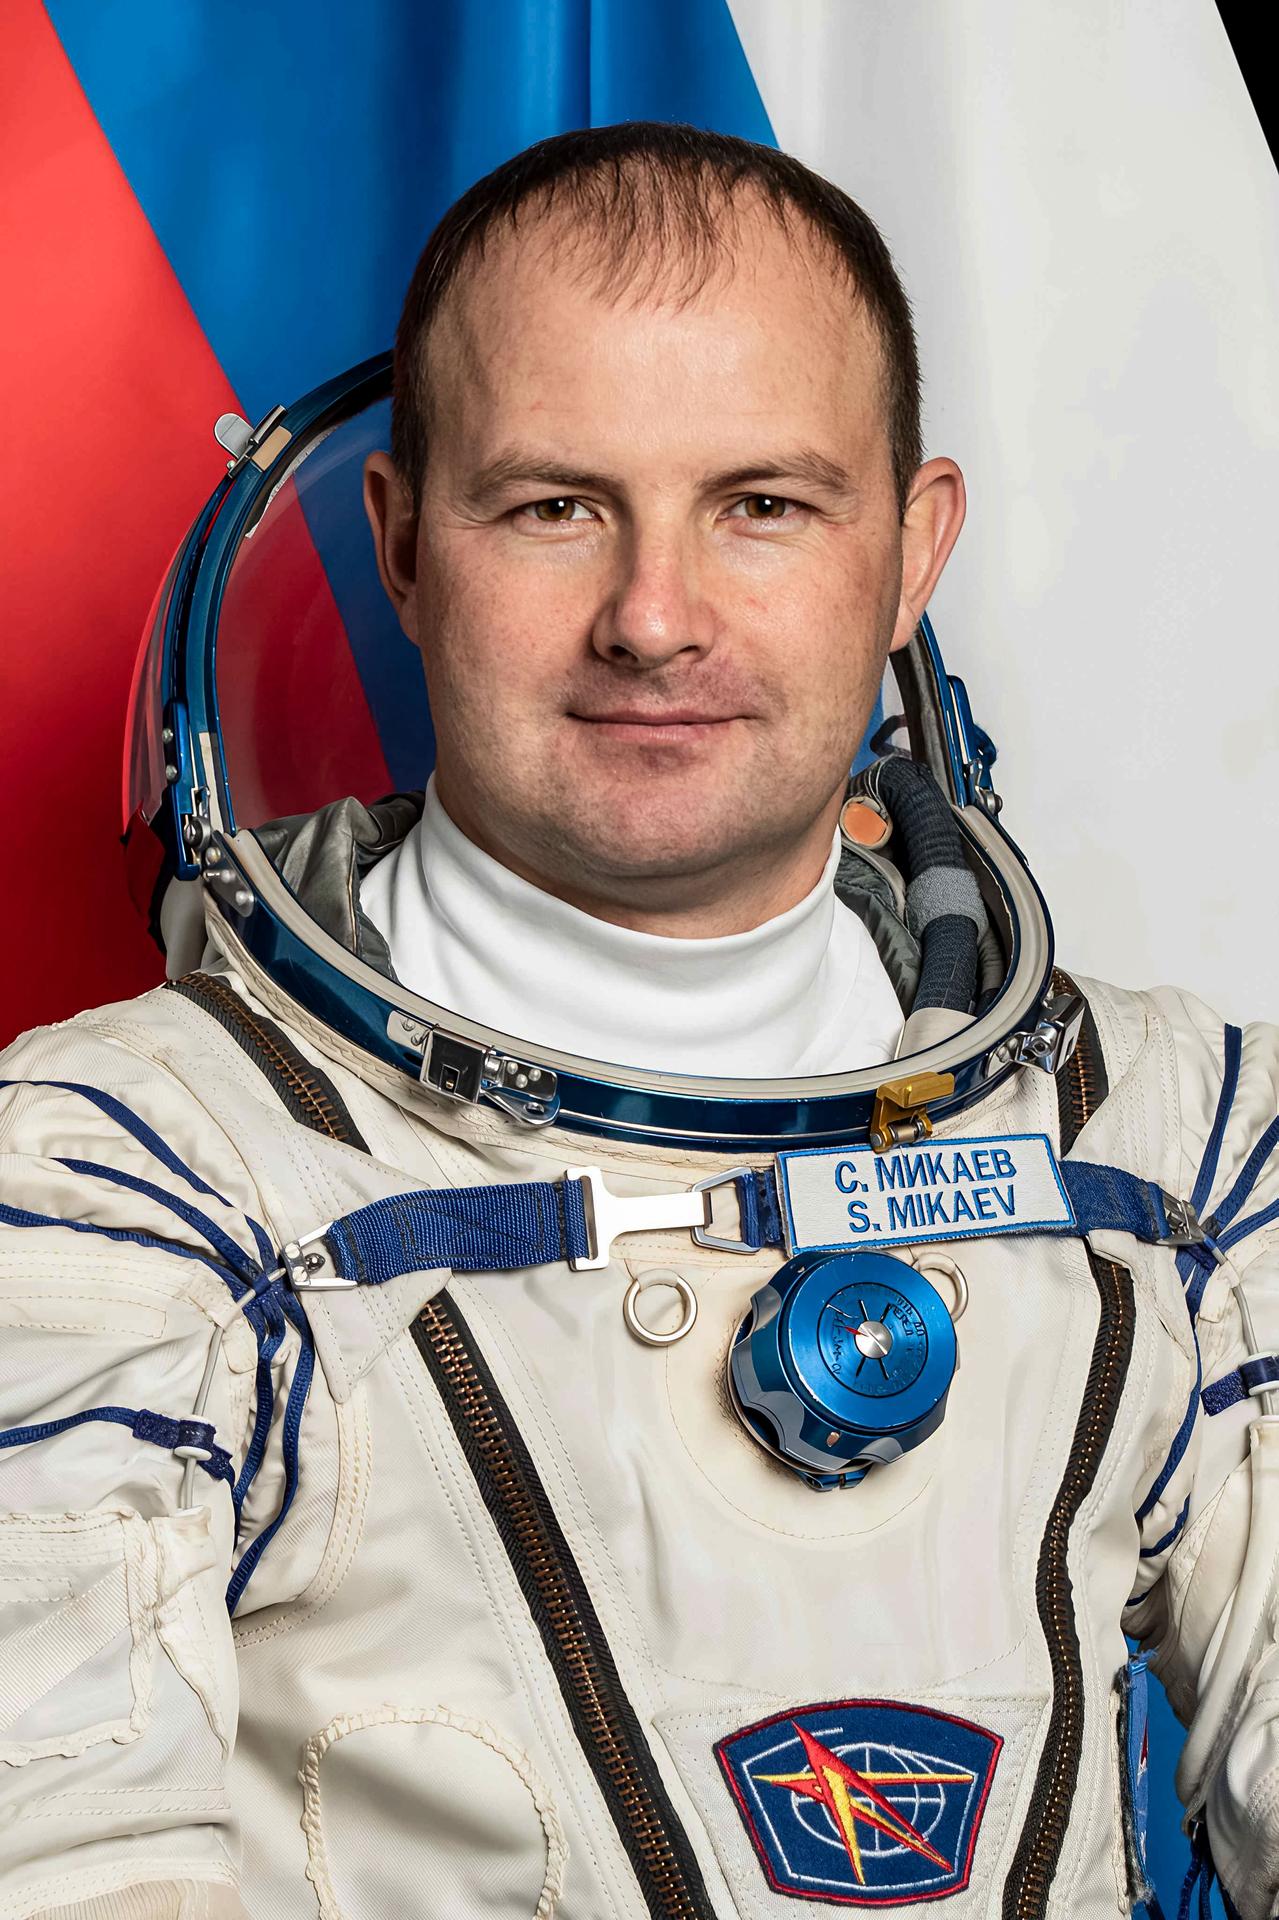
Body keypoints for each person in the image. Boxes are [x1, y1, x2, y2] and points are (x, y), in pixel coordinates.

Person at [0, 121, 1273, 1920]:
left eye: (763, 503)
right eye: (552, 507)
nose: (654, 619)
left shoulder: (1167, 1139)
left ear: (913, 553)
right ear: (403, 550)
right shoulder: (121, 1186)